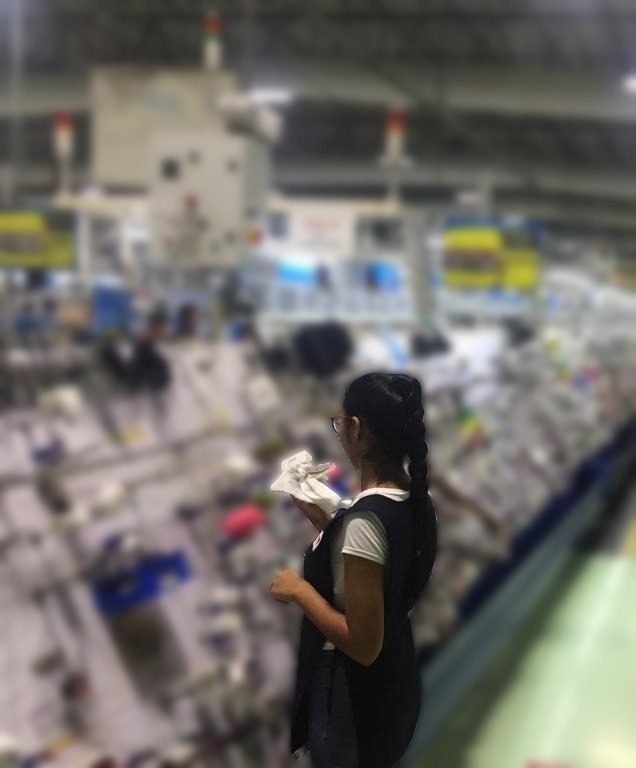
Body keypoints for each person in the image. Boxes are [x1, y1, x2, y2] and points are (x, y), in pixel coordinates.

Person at [270, 372, 437, 768]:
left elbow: (362, 645)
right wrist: (333, 527)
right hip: (395, 679)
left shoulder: (365, 520)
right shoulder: (415, 499)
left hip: (353, 698)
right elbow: (387, 566)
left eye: (340, 423)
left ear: (357, 429)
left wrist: (298, 590)